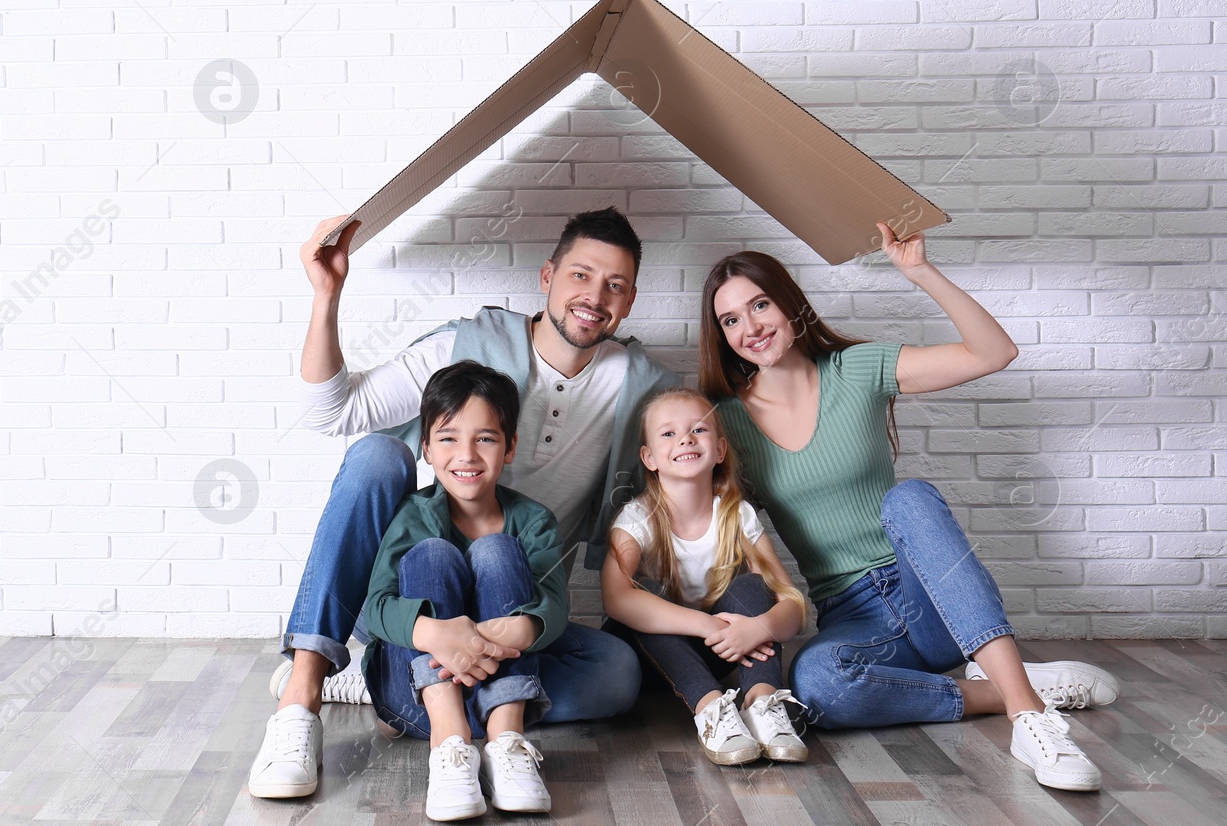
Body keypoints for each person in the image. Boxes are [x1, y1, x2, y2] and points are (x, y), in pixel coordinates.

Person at [248, 207, 682, 800]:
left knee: (617, 672)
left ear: (630, 302)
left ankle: (399, 687)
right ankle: (302, 700)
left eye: (616, 284)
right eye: (581, 275)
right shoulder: (467, 346)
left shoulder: (643, 386)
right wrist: (327, 294)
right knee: (376, 456)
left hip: (515, 603)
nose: (595, 296)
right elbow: (332, 413)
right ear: (547, 276)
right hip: (428, 585)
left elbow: (696, 463)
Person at [699, 224, 1121, 793]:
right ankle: (1000, 688)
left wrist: (919, 270)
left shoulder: (859, 368)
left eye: (759, 304)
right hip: (855, 617)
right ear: (721, 335)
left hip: (935, 597)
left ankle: (1029, 717)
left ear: (789, 304)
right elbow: (718, 530)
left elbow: (994, 353)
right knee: (818, 682)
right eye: (731, 320)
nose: (750, 327)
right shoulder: (726, 423)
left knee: (911, 497)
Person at [363, 361, 563, 820]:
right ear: (427, 449)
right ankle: (451, 744)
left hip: (501, 683)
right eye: (449, 438)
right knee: (433, 554)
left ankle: (507, 741)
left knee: (496, 551)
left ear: (510, 447)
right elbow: (376, 606)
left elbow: (554, 602)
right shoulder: (412, 515)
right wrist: (436, 634)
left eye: (486, 439)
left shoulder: (534, 521)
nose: (467, 455)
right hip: (421, 701)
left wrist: (517, 630)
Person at [602, 388, 808, 766]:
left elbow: (792, 602)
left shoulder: (737, 514)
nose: (685, 439)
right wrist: (709, 624)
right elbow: (616, 599)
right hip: (647, 660)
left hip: (720, 651)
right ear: (649, 458)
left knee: (751, 586)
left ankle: (763, 703)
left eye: (699, 429)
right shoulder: (636, 520)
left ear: (720, 450)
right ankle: (712, 711)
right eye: (668, 434)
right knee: (643, 597)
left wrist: (759, 628)